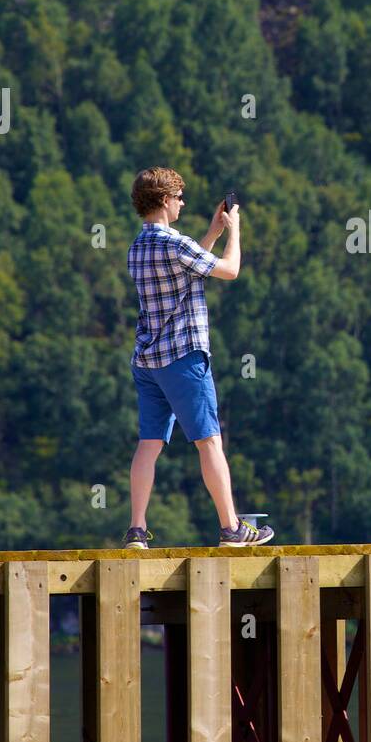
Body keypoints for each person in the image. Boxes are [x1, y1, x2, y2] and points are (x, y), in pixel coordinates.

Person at [122, 166, 274, 549]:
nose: (182, 203)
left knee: (149, 443)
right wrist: (234, 231)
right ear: (163, 201)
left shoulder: (137, 249)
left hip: (148, 361)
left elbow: (184, 272)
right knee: (208, 442)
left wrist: (212, 233)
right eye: (177, 197)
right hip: (184, 358)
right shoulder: (175, 244)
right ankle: (231, 527)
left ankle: (137, 530)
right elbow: (230, 270)